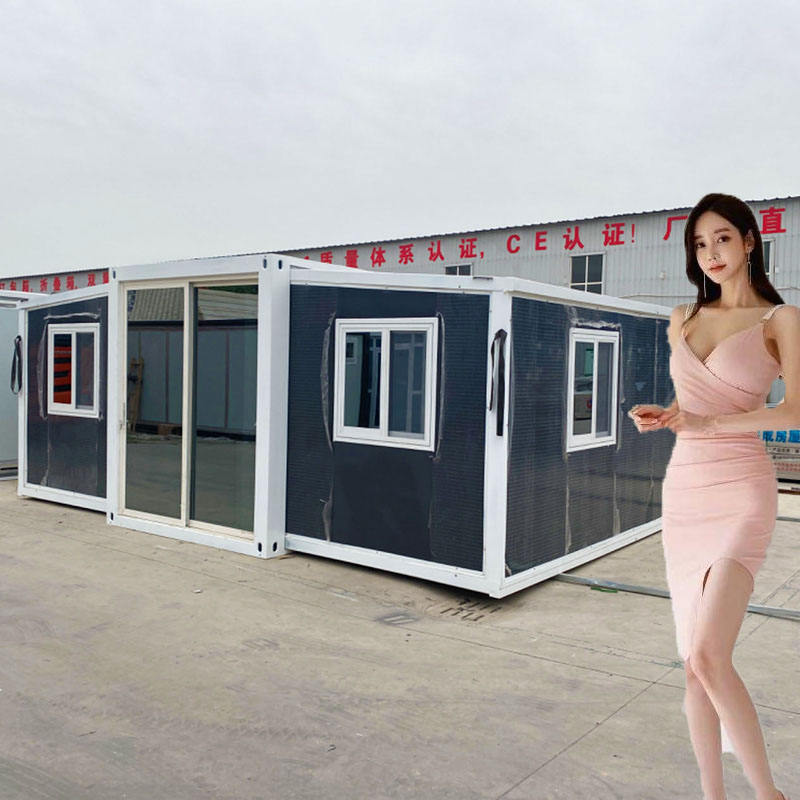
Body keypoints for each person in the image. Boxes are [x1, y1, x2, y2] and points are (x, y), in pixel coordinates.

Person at [628, 192, 796, 800]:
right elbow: (695, 404)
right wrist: (670, 415)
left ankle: (769, 794)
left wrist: (708, 424)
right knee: (694, 666)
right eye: (700, 244)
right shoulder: (683, 318)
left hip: (743, 492)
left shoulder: (781, 320)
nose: (712, 253)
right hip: (686, 492)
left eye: (723, 238)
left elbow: (794, 412)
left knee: (709, 652)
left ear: (750, 241)